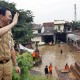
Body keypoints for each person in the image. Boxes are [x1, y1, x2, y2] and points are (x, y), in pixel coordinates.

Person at [0, 7, 20, 80]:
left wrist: (16, 65)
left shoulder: (9, 30)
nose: (11, 19)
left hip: (8, 64)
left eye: (12, 17)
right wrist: (14, 23)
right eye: (9, 16)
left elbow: (11, 48)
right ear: (1, 16)